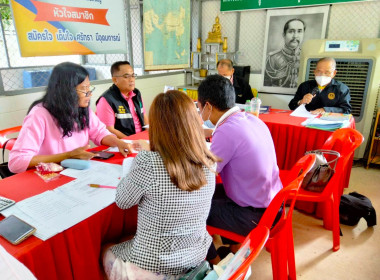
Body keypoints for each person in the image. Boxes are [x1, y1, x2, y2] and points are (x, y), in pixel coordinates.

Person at [102, 90, 219, 279]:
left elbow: (122, 201)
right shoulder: (208, 160)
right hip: (195, 256)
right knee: (129, 239)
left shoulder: (148, 162)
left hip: (155, 265)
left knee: (107, 249)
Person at [197, 75, 283, 264]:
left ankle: (217, 264)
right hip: (274, 205)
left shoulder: (226, 131)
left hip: (256, 216)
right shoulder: (252, 120)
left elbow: (202, 174)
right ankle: (236, 247)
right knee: (211, 195)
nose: (199, 112)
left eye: (199, 106)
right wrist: (212, 133)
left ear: (208, 106)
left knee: (191, 208)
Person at [9, 62, 131, 174]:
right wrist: (68, 155)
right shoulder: (40, 114)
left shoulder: (82, 109)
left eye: (89, 87)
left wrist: (118, 142)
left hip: (77, 172)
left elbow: (99, 133)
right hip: (50, 176)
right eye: (84, 89)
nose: (90, 93)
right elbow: (17, 162)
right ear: (66, 91)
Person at [96, 61, 148, 139]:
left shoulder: (136, 93)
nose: (132, 80)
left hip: (140, 139)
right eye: (126, 76)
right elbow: (108, 129)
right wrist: (131, 141)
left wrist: (148, 134)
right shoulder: (106, 100)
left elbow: (143, 115)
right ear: (115, 80)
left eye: (133, 75)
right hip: (122, 143)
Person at [264, 18, 305, 88]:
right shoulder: (272, 59)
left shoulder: (306, 57)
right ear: (284, 34)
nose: (295, 36)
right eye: (291, 31)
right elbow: (266, 86)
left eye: (299, 31)